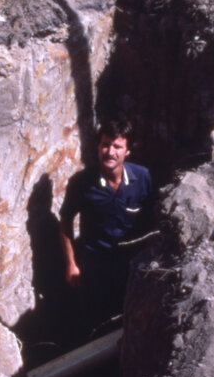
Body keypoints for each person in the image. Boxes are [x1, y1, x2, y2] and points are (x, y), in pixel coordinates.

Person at [59, 119, 153, 338]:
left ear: (127, 151)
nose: (110, 152)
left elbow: (153, 218)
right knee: (94, 320)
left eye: (117, 146)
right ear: (98, 147)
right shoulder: (81, 183)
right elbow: (65, 223)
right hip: (94, 264)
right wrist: (71, 264)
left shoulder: (143, 178)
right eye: (105, 145)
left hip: (131, 262)